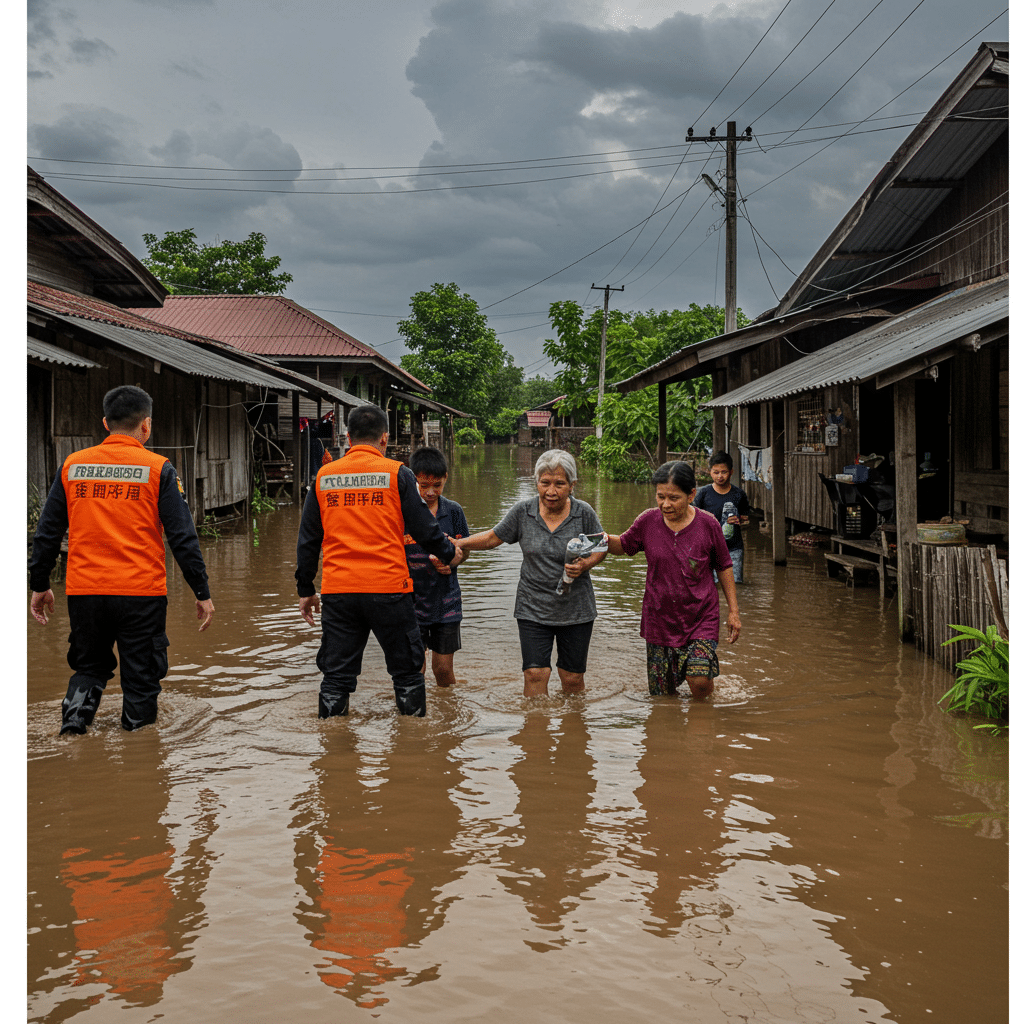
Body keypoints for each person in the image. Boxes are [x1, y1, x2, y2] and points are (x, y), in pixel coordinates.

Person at [29, 385, 215, 735]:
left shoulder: (73, 466)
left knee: (88, 668)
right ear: (146, 426)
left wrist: (39, 584)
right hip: (140, 594)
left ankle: (72, 733)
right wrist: (201, 592)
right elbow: (182, 538)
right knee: (142, 678)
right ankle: (139, 754)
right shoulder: (157, 468)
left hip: (86, 593)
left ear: (105, 423)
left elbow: (47, 532)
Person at [295, 405, 458, 718]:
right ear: (384, 438)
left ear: (347, 437)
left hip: (339, 592)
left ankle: (334, 750)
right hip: (389, 590)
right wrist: (450, 554)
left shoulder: (324, 476)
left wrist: (305, 588)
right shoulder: (397, 473)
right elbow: (425, 528)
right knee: (408, 674)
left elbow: (308, 540)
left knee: (336, 676)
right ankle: (413, 747)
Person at [455, 449, 605, 697]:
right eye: (545, 483)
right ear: (536, 483)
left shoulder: (583, 513)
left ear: (572, 485)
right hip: (532, 606)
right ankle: (535, 730)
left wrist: (585, 565)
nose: (551, 491)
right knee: (535, 674)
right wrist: (460, 543)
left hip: (576, 608)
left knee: (572, 677)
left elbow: (601, 547)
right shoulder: (523, 512)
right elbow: (494, 537)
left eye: (560, 484)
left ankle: (574, 728)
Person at [605, 460, 740, 700]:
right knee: (662, 696)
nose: (666, 504)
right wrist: (602, 539)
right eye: (660, 497)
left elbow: (724, 566)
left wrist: (734, 612)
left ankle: (703, 721)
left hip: (701, 616)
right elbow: (624, 546)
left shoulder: (708, 524)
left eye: (673, 498)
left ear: (691, 495)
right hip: (659, 619)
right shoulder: (647, 521)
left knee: (698, 680)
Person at [404, 446, 470, 688]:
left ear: (446, 479)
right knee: (415, 669)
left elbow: (465, 550)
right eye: (423, 486)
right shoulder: (402, 512)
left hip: (446, 601)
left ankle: (449, 714)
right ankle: (416, 720)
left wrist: (452, 561)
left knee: (442, 670)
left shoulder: (453, 512)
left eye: (437, 486)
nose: (430, 492)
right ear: (412, 480)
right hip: (411, 601)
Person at [693, 449, 751, 583]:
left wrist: (739, 521)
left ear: (731, 472)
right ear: (710, 472)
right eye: (716, 472)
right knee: (711, 585)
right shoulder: (703, 494)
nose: (720, 476)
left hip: (734, 548)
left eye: (724, 472)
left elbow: (746, 521)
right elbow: (693, 521)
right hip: (709, 549)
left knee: (735, 585)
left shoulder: (739, 494)